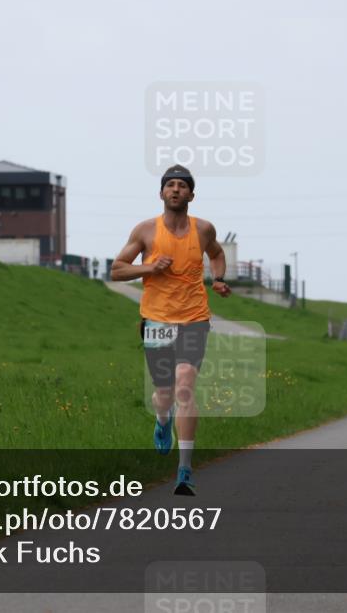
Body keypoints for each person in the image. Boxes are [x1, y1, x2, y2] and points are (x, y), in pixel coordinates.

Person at [110, 165, 231, 495]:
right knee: (164, 393)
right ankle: (162, 420)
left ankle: (185, 469)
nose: (176, 190)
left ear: (191, 195)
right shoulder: (146, 231)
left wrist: (218, 279)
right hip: (157, 320)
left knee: (185, 385)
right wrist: (150, 266)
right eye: (170, 185)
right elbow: (117, 270)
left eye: (182, 186)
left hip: (194, 318)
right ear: (162, 193)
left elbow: (217, 254)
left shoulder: (203, 229)